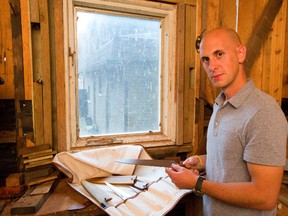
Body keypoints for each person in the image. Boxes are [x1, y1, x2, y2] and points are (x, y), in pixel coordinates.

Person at [165, 27, 288, 216]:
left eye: (219, 54)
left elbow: (265, 196)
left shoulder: (264, 113)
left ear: (241, 53)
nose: (212, 66)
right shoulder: (221, 104)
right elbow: (232, 157)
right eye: (206, 59)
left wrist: (197, 183)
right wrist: (200, 161)